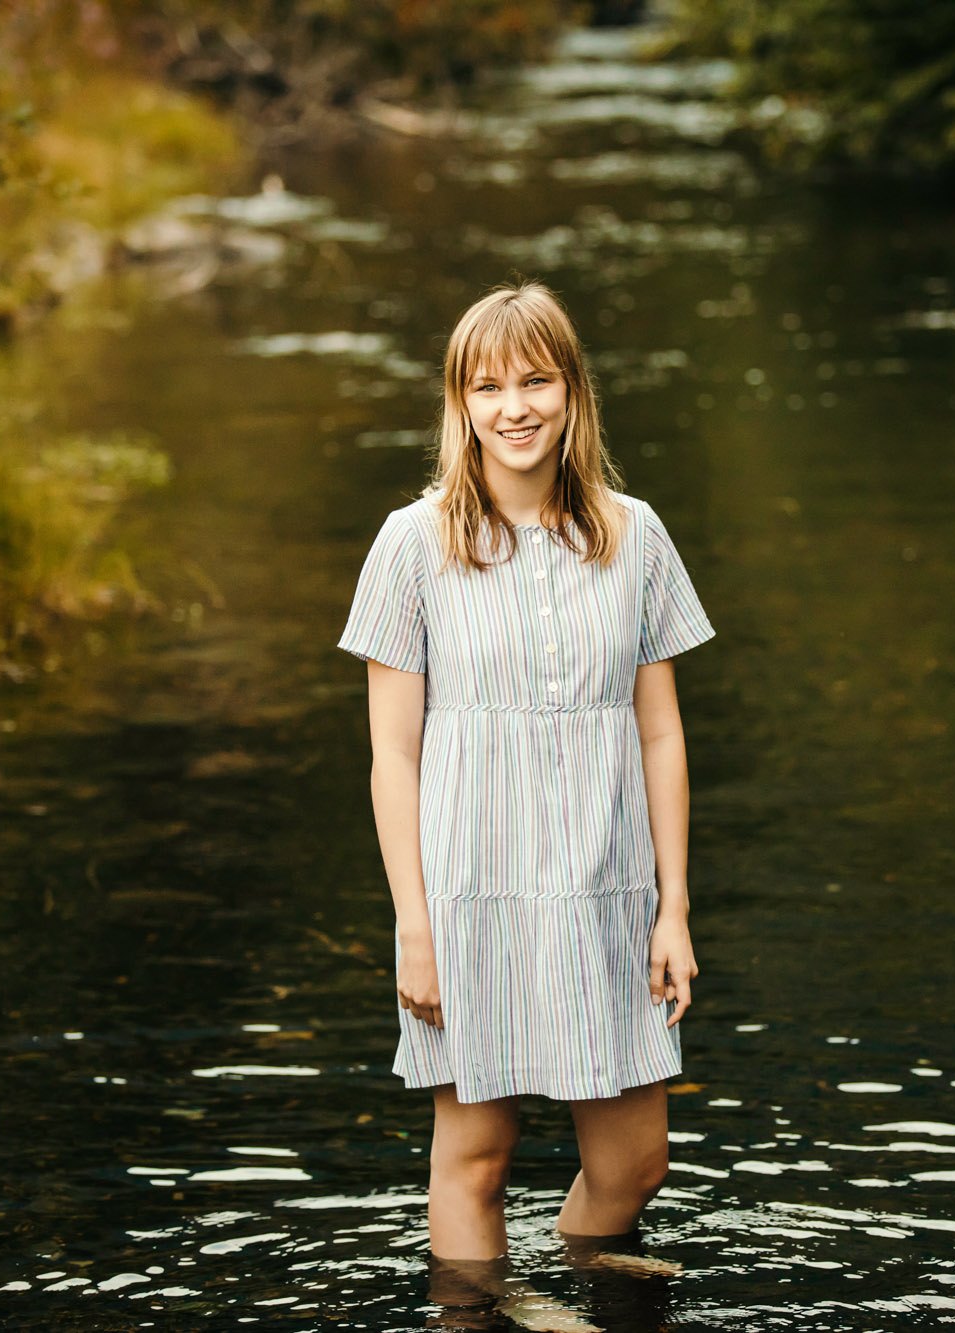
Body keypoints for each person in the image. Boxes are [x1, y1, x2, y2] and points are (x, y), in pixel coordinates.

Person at [337, 281, 713, 1278]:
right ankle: (479, 1313)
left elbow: (660, 732)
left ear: (571, 392)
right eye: (487, 385)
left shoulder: (634, 534)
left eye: (535, 380)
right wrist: (413, 926)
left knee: (635, 1165)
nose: (514, 406)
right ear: (459, 403)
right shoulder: (409, 545)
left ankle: (574, 1272)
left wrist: (672, 907)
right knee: (477, 1157)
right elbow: (394, 755)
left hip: (606, 888)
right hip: (470, 895)